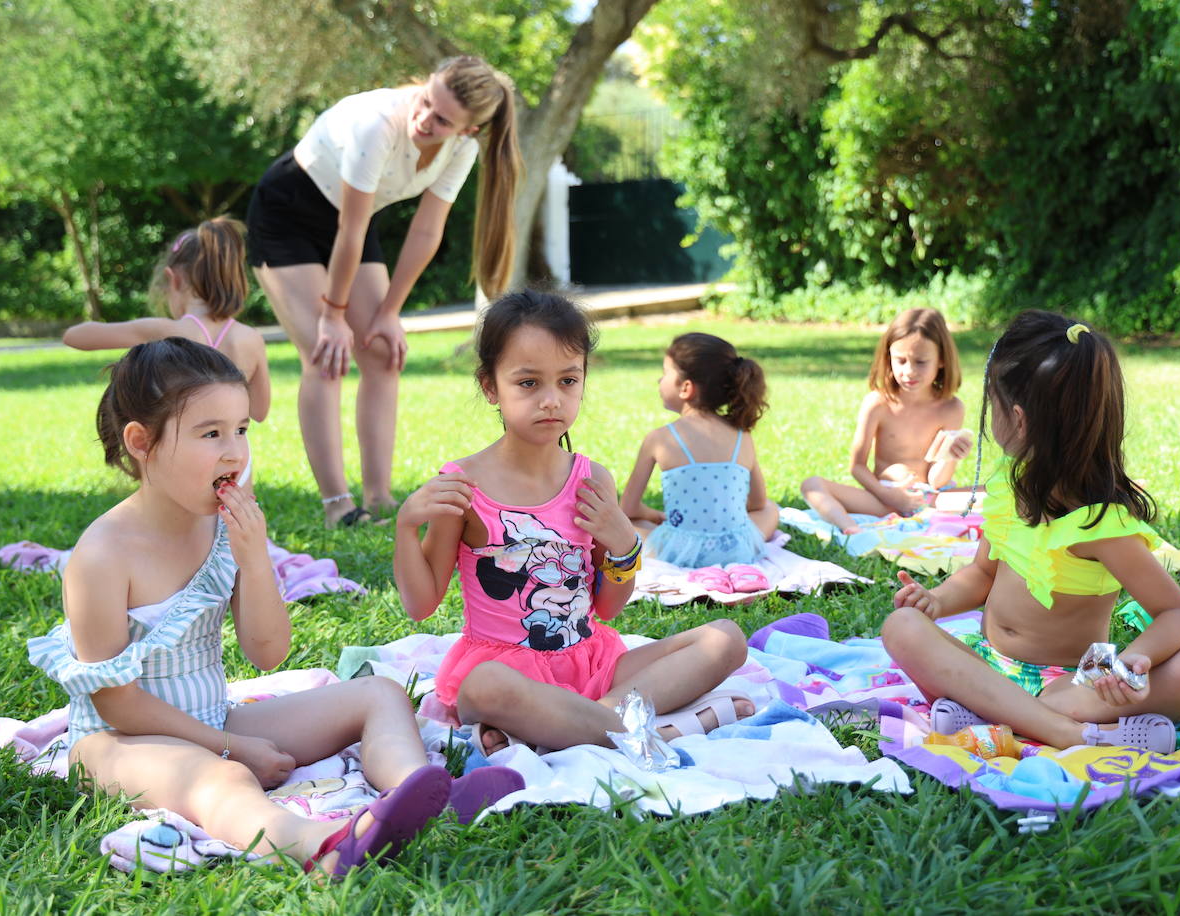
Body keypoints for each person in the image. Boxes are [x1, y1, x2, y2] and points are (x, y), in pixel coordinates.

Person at [27, 338, 521, 878]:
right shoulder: (102, 556)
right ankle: (323, 847)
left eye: (241, 429)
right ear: (141, 442)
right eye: (210, 433)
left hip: (210, 717)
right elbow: (118, 705)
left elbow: (268, 652)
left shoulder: (222, 522)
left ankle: (423, 795)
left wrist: (253, 559)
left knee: (377, 693)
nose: (234, 451)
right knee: (222, 779)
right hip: (116, 743)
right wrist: (233, 747)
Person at [393, 291, 755, 756]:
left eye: (568, 380)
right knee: (483, 688)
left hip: (593, 668)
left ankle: (580, 724)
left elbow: (606, 607)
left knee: (725, 638)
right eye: (528, 383)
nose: (551, 400)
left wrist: (625, 546)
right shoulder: (463, 486)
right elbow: (422, 605)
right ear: (490, 387)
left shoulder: (590, 479)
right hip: (508, 676)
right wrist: (406, 527)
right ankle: (648, 732)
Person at [880, 311, 1180, 752]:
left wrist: (1136, 659)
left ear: (1017, 419)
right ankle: (1055, 726)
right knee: (903, 626)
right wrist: (937, 600)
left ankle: (1002, 714)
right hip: (988, 662)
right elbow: (983, 574)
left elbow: (1178, 614)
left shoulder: (1101, 524)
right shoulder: (1008, 486)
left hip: (1071, 682)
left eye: (992, 405)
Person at [246, 56, 521, 527]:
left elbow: (425, 231)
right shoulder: (377, 123)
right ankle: (338, 506)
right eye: (426, 100)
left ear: (468, 132)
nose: (424, 119)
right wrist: (332, 317)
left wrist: (390, 312)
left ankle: (379, 497)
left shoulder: (461, 151)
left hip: (351, 223)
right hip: (286, 214)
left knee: (383, 352)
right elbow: (350, 230)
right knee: (324, 352)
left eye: (441, 120)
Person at [63, 217, 270, 422]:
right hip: (234, 452)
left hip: (180, 450)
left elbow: (74, 337)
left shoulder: (163, 331)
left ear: (174, 279)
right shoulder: (251, 338)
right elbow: (259, 412)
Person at [800, 308, 969, 534]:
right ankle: (850, 528)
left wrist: (951, 458)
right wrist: (889, 495)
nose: (909, 371)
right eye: (900, 360)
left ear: (941, 361)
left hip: (930, 500)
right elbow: (857, 466)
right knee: (811, 485)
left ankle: (928, 520)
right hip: (884, 499)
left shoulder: (951, 408)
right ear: (888, 357)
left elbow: (936, 481)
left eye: (920, 362)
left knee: (994, 494)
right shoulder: (878, 403)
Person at [620, 332, 778, 572]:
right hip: (737, 550)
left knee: (629, 524)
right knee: (771, 508)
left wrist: (653, 515)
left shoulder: (659, 438)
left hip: (677, 552)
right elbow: (757, 502)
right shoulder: (742, 435)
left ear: (686, 388)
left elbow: (627, 510)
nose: (659, 380)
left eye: (665, 373)